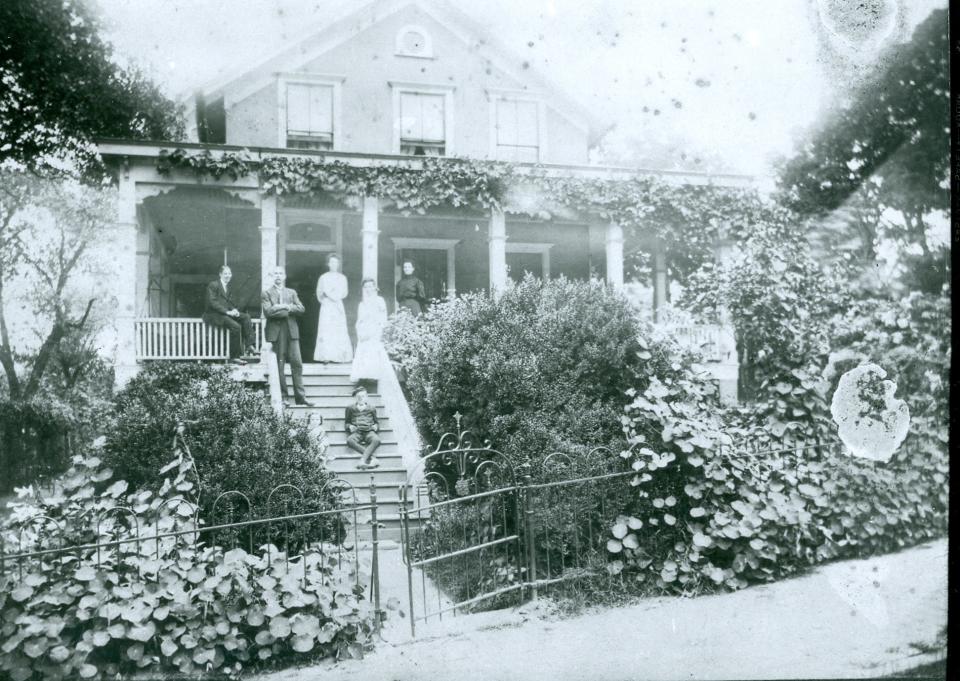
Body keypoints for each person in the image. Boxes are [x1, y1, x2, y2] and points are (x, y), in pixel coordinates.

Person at [261, 267, 314, 407]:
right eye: (275, 273)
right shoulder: (266, 293)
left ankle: (301, 397)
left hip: (292, 331)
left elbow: (301, 308)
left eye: (280, 273)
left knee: (297, 364)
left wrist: (282, 307)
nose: (278, 276)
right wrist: (288, 309)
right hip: (277, 333)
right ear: (272, 276)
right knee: (280, 365)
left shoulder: (291, 292)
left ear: (284, 276)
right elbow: (268, 312)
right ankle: (284, 397)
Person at [202, 265, 256, 364]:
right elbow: (212, 303)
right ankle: (234, 357)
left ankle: (249, 345)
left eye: (229, 273)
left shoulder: (228, 287)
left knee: (246, 317)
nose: (228, 276)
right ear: (220, 274)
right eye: (225, 273)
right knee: (236, 326)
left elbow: (229, 303)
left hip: (224, 313)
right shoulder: (214, 285)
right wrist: (227, 312)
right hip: (214, 315)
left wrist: (234, 310)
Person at [350, 278, 390, 388]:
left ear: (374, 287)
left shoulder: (380, 300)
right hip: (364, 332)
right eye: (366, 287)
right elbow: (359, 320)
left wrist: (378, 330)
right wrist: (360, 332)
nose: (368, 289)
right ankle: (363, 379)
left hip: (375, 331)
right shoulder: (362, 303)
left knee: (372, 353)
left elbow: (383, 318)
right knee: (362, 353)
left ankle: (373, 380)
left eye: (370, 286)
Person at [313, 253, 353, 363]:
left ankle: (339, 356)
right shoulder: (323, 277)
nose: (334, 264)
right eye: (332, 262)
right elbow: (319, 292)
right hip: (327, 306)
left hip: (337, 305)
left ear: (338, 264)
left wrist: (334, 296)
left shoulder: (342, 278)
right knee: (327, 329)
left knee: (338, 329)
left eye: (336, 262)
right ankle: (326, 356)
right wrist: (326, 299)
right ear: (328, 264)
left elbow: (344, 292)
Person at [345, 385, 380, 469]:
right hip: (357, 432)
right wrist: (349, 426)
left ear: (366, 397)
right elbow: (346, 422)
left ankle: (362, 461)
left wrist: (376, 426)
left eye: (363, 396)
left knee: (376, 440)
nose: (361, 398)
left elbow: (376, 422)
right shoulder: (350, 408)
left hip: (369, 431)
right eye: (358, 396)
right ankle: (372, 458)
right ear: (355, 398)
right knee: (350, 440)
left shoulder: (371, 408)